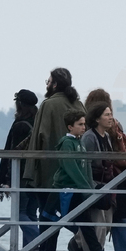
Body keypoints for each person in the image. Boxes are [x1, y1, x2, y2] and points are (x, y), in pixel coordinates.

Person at [38, 109, 103, 251]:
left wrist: (88, 185)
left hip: (75, 189)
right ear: (70, 127)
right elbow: (70, 167)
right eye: (80, 124)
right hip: (63, 189)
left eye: (84, 124)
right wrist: (86, 187)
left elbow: (86, 167)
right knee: (49, 218)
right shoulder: (67, 143)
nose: (83, 127)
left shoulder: (80, 142)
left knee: (84, 221)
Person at [85, 88, 126, 251]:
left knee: (107, 220)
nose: (109, 117)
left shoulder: (99, 131)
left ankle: (89, 249)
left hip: (110, 181)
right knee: (117, 221)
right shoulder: (111, 127)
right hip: (118, 179)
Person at [24, 68, 86, 201]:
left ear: (55, 85)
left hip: (50, 175)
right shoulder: (79, 105)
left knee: (48, 215)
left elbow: (37, 140)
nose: (47, 85)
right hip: (78, 174)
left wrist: (30, 174)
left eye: (49, 81)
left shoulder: (48, 105)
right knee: (76, 215)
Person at [0, 89, 40, 248]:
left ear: (19, 104)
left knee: (19, 214)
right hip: (36, 177)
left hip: (21, 176)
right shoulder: (38, 122)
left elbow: (12, 154)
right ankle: (30, 249)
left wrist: (7, 180)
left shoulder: (20, 125)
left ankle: (39, 240)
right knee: (31, 214)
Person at [80, 102, 117, 251]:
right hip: (94, 185)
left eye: (110, 114)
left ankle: (77, 244)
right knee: (99, 224)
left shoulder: (107, 136)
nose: (110, 118)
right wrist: (91, 187)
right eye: (107, 115)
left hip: (106, 185)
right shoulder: (89, 137)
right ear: (97, 119)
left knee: (108, 223)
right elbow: (85, 163)